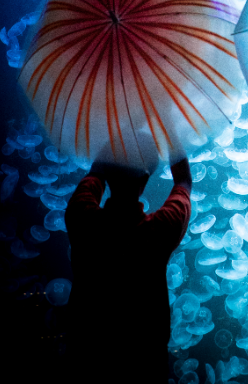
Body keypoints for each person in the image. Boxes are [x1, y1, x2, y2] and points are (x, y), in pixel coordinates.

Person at [64, 149, 192, 384]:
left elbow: (93, 176)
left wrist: (108, 150)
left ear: (107, 174)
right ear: (144, 181)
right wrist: (172, 136)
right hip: (144, 361)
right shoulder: (158, 230)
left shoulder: (82, 219)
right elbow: (183, 182)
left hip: (86, 355)